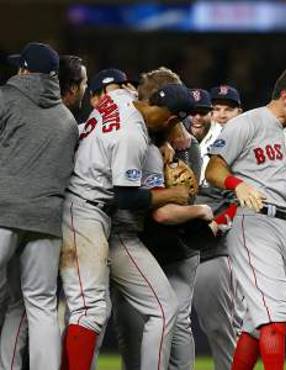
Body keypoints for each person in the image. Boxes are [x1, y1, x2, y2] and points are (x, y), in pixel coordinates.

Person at [60, 68, 192, 370]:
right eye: (174, 122)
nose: (174, 127)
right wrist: (174, 195)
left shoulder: (121, 95)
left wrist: (163, 139)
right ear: (170, 117)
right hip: (84, 210)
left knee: (162, 307)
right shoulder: (131, 135)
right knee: (89, 310)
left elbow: (150, 91)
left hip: (104, 218)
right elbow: (127, 198)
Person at [205, 67, 286, 370]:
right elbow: (213, 169)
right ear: (285, 96)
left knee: (255, 324)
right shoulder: (247, 123)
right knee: (275, 318)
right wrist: (237, 184)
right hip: (254, 223)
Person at [111, 67, 205, 370]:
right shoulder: (139, 133)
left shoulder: (186, 145)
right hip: (139, 241)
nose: (142, 100)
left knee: (175, 321)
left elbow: (175, 205)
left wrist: (199, 210)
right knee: (130, 325)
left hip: (175, 247)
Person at [0, 52, 89, 370]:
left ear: (25, 69)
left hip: (3, 213)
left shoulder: (6, 98)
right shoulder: (65, 118)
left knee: (17, 304)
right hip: (47, 219)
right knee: (41, 304)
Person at [189, 85, 244, 370]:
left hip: (215, 250)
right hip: (177, 251)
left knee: (220, 327)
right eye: (215, 108)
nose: (198, 118)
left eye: (203, 112)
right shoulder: (179, 144)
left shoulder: (227, 147)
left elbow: (239, 200)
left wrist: (219, 225)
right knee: (172, 325)